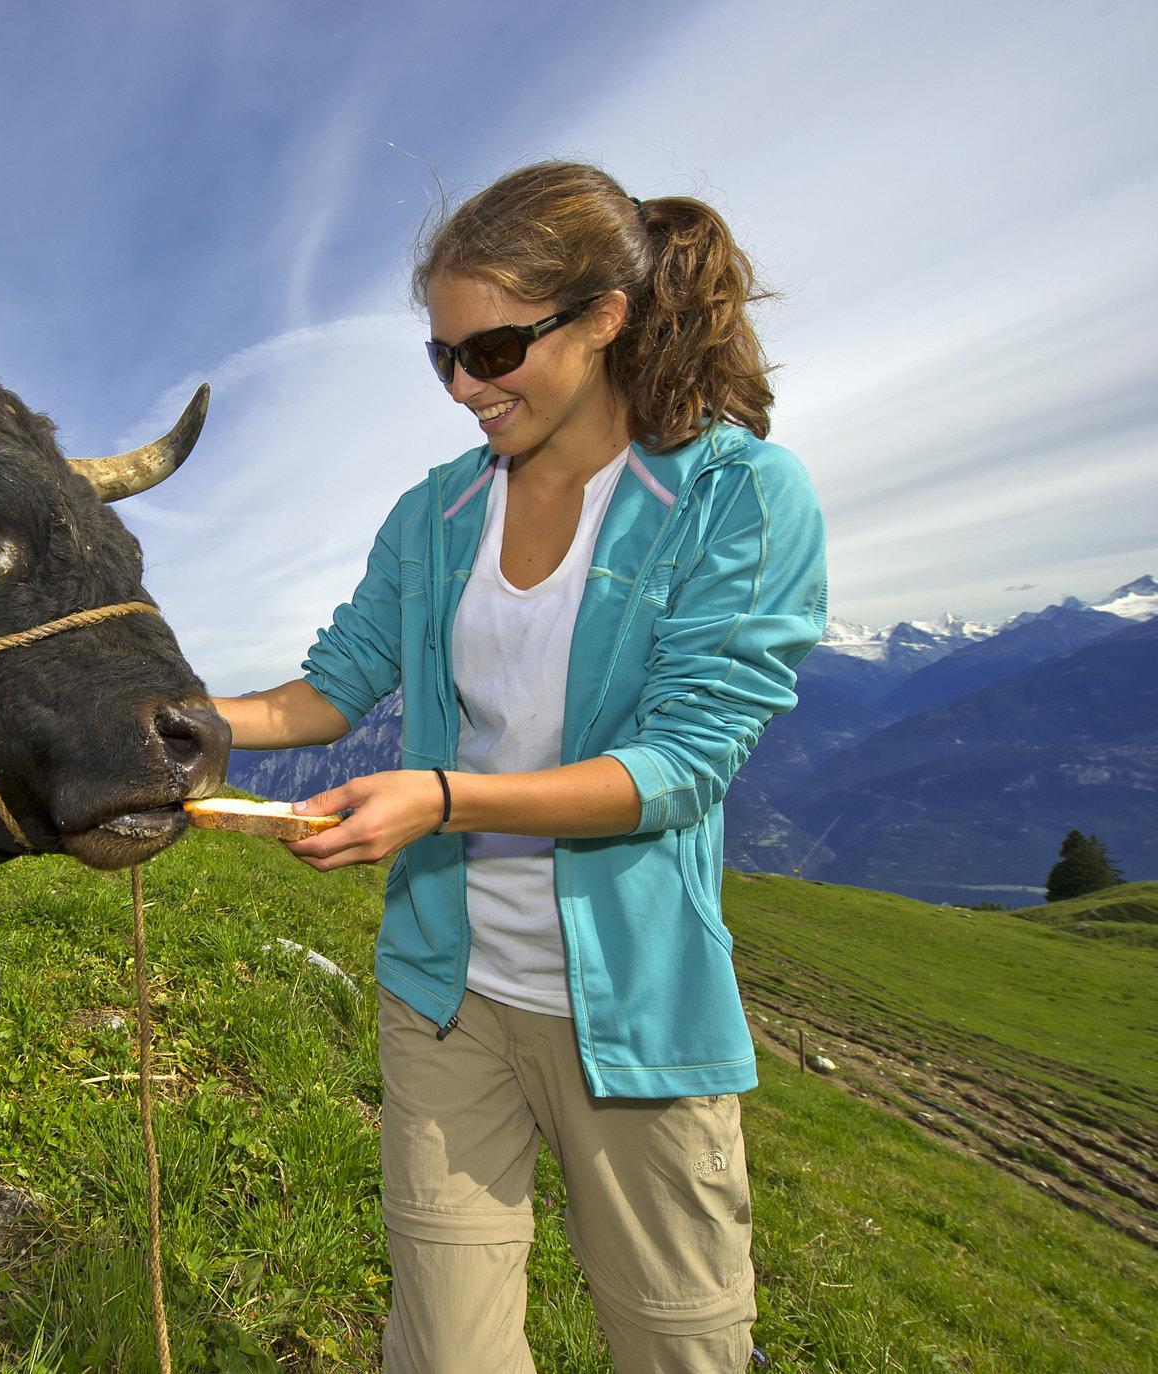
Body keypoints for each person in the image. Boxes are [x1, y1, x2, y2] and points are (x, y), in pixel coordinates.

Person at [210, 163, 827, 1372]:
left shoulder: (734, 497)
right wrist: (167, 716)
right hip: (444, 993)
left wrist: (441, 800)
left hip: (636, 1013)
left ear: (603, 315)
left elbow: (682, 765)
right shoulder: (434, 515)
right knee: (443, 1352)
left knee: (680, 1348)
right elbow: (328, 689)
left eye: (491, 350)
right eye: (440, 358)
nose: (463, 389)